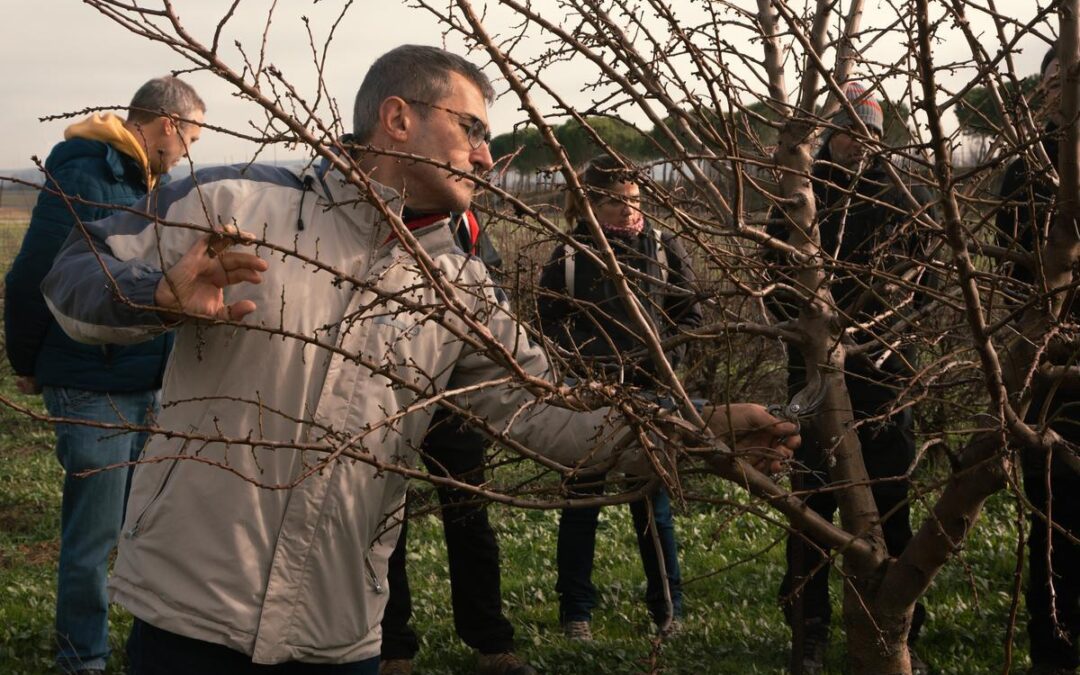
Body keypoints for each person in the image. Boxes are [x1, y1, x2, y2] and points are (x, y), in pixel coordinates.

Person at [41, 44, 798, 673]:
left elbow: (555, 418)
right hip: (190, 614)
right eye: (471, 126)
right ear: (397, 118)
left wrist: (700, 428)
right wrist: (153, 297)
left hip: (337, 632)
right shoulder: (235, 201)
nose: (487, 152)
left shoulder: (458, 285)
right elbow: (72, 277)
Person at [3, 75, 204, 674]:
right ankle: (83, 660)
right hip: (93, 383)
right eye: (190, 135)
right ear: (166, 124)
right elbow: (33, 270)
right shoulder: (86, 173)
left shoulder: (154, 183)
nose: (190, 150)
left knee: (148, 532)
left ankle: (149, 651)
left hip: (149, 381)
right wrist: (27, 361)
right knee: (92, 543)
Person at [765, 82, 932, 675]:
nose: (856, 143)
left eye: (867, 132)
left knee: (891, 500)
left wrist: (893, 328)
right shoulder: (798, 198)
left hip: (888, 376)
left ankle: (896, 625)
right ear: (828, 134)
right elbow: (770, 279)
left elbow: (930, 283)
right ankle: (808, 629)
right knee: (812, 504)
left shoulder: (905, 196)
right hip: (814, 377)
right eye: (846, 131)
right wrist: (807, 328)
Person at [536, 155, 703, 640]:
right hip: (590, 397)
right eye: (616, 202)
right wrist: (593, 366)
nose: (629, 211)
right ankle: (576, 615)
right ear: (591, 203)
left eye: (634, 200)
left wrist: (667, 360)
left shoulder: (665, 245)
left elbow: (690, 313)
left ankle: (668, 610)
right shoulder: (570, 254)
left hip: (654, 395)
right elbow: (549, 323)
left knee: (654, 508)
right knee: (580, 505)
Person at [379, 216, 536, 675]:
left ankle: (491, 642)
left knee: (469, 516)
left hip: (456, 397)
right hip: (391, 394)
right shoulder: (369, 214)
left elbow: (491, 287)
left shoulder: (463, 220)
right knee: (386, 523)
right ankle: (392, 649)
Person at [996, 44, 1080, 675]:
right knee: (1051, 522)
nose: (1060, 90)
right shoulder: (1026, 165)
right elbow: (1008, 254)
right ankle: (1050, 653)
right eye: (1053, 79)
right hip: (1046, 365)